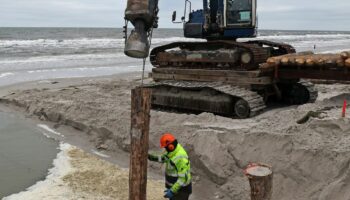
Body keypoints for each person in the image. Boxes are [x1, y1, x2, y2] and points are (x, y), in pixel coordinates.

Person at [148, 133, 192, 200]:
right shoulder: (172, 152)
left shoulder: (180, 157)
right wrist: (150, 157)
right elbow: (163, 158)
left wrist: (172, 191)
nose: (165, 149)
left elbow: (182, 178)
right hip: (176, 189)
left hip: (181, 191)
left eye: (166, 147)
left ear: (170, 146)